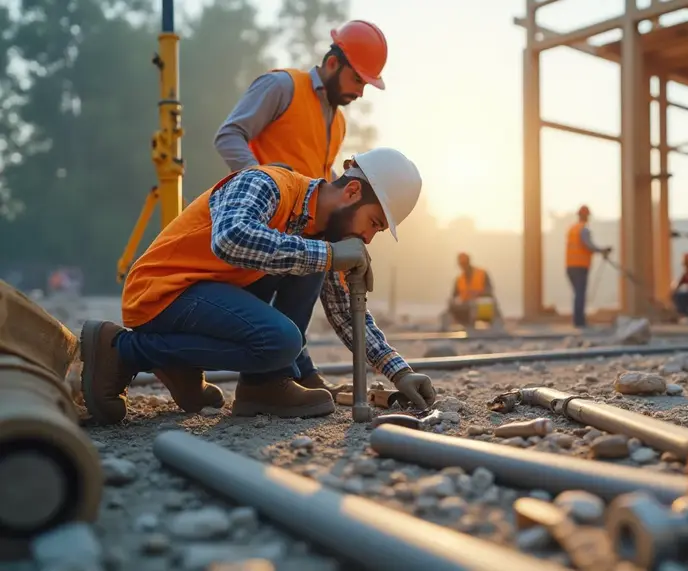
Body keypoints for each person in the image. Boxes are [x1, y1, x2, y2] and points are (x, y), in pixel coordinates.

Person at [78, 148, 437, 426]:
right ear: (352, 191)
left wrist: (399, 372)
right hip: (162, 293)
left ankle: (263, 384)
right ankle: (123, 350)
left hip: (204, 296)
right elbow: (231, 238)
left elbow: (344, 312)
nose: (369, 239)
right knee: (282, 340)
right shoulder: (268, 183)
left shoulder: (319, 231)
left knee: (308, 264)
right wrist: (329, 254)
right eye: (373, 223)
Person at [212, 20, 388, 395]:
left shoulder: (337, 123)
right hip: (260, 222)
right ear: (332, 63)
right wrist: (261, 188)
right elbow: (229, 135)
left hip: (302, 223)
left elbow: (322, 180)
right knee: (294, 277)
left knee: (316, 264)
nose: (361, 92)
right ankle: (274, 376)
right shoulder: (281, 87)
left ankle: (292, 367)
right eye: (358, 80)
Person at [565, 205, 611, 329]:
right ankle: (579, 322)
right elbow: (589, 246)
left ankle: (578, 320)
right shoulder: (583, 230)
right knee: (580, 294)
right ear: (586, 216)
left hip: (570, 267)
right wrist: (602, 251)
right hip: (580, 266)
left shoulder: (572, 229)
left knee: (577, 294)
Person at [442, 253, 502, 330]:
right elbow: (454, 296)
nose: (463, 266)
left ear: (469, 262)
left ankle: (497, 326)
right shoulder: (459, 279)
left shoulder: (482, 273)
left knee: (487, 303)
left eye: (464, 263)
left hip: (482, 305)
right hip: (466, 306)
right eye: (461, 264)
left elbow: (489, 290)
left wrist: (478, 294)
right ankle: (463, 326)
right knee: (450, 308)